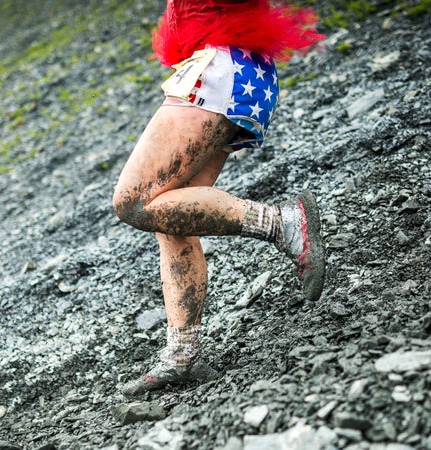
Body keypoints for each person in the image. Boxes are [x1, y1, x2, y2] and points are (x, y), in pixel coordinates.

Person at [112, 0, 326, 396]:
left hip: (221, 70)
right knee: (171, 217)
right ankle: (182, 355)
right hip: (238, 71)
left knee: (134, 203)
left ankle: (282, 223)